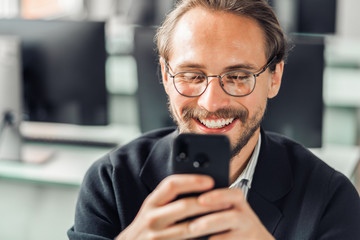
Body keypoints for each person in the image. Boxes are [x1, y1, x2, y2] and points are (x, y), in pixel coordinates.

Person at [68, 0, 360, 239]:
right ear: (166, 77)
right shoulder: (110, 181)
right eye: (192, 76)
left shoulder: (330, 198)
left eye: (237, 77)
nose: (212, 103)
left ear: (275, 78)